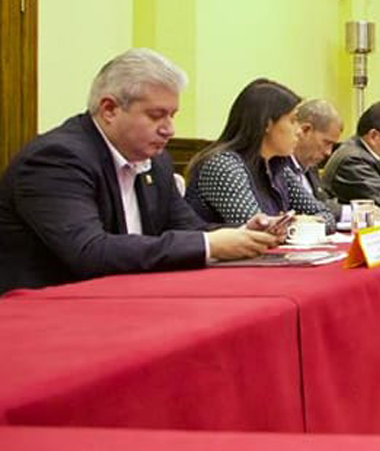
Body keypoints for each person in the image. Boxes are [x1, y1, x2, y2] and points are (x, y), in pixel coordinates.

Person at [0, 48, 281, 294]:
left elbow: (190, 229)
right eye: (156, 116)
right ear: (109, 109)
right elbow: (88, 252)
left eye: (173, 116)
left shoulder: (155, 161)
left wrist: (244, 233)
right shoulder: (56, 159)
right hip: (47, 313)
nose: (169, 130)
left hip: (126, 301)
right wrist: (211, 244)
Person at [185, 79, 336, 231]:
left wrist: (290, 223)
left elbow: (327, 216)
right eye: (292, 121)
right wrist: (298, 222)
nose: (298, 131)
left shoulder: (277, 165)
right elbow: (257, 229)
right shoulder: (223, 165)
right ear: (267, 124)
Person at [290, 98, 344, 217]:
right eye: (326, 143)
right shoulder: (279, 167)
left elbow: (322, 204)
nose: (328, 152)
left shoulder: (310, 165)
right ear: (305, 130)